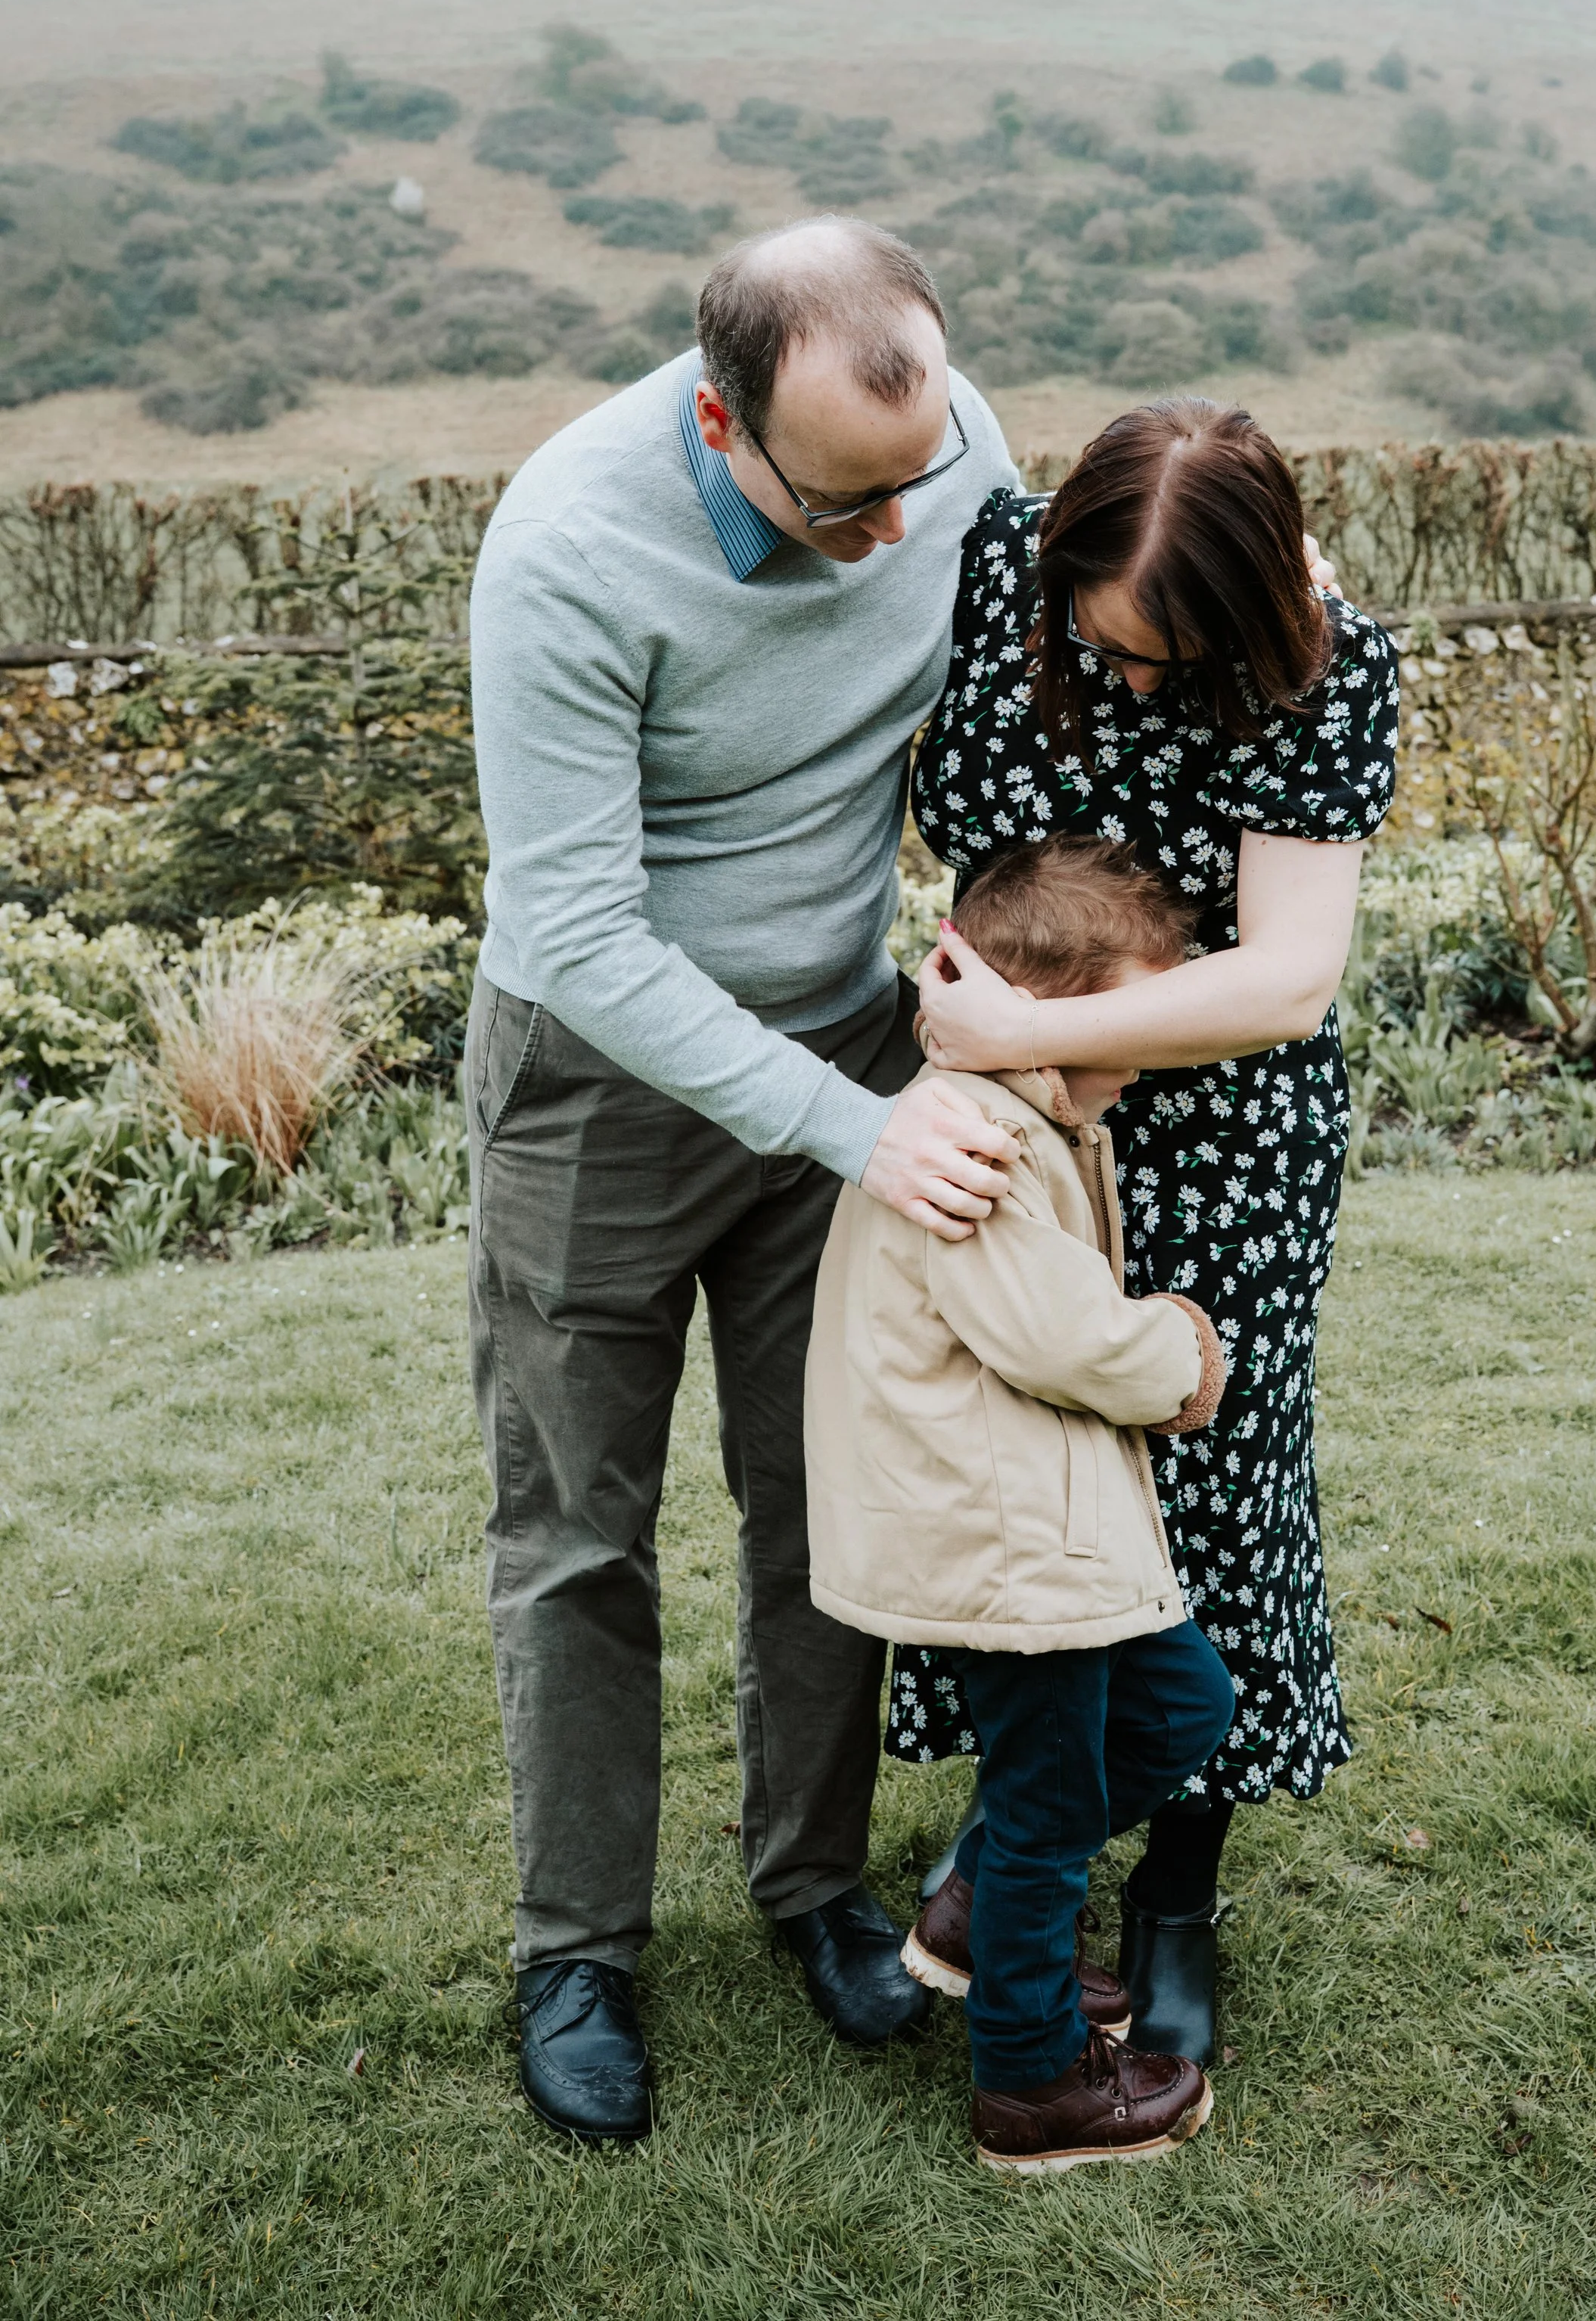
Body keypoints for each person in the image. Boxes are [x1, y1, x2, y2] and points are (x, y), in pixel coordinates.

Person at [465, 219, 1028, 2144]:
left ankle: (812, 1884)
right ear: (721, 423)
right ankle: (577, 1952)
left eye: (918, 482)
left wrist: (1271, 591)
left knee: (823, 1500)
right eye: (845, 506)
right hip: (595, 1091)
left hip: (842, 1037)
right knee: (577, 1530)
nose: (897, 536)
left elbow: (1047, 637)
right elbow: (578, 933)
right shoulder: (565, 550)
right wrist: (860, 1127)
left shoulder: (938, 444)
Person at [888, 397, 1399, 2067]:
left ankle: (1177, 1891)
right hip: (1010, 1120)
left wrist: (1023, 1032)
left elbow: (1289, 977)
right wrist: (1001, 1055)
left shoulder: (1321, 664)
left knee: (1204, 1489)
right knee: (1022, 1478)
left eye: (1167, 664)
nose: (1126, 684)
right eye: (1102, 646)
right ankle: (1018, 1837)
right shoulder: (992, 563)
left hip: (1221, 1139)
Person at [804, 833, 1237, 2173]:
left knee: (1183, 1702)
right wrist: (1183, 1356)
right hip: (1005, 1538)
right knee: (1050, 1807)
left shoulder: (1031, 1117)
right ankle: (1033, 2077)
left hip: (1043, 1522)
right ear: (1043, 1014)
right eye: (1127, 1014)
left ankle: (978, 1913)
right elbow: (1062, 1337)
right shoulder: (979, 1138)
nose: (1145, 1044)